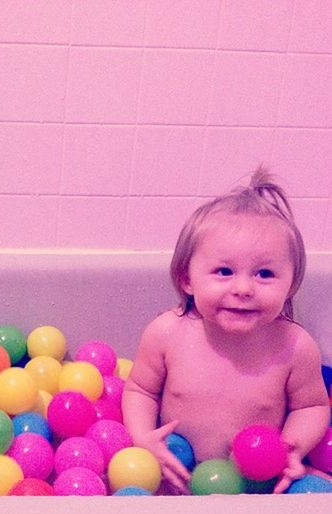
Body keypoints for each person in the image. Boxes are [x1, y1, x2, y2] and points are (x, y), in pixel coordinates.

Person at [122, 166, 330, 494]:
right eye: (223, 271)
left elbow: (312, 406)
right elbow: (140, 390)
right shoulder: (166, 334)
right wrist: (144, 439)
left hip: (257, 485)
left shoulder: (294, 346)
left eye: (264, 274)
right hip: (175, 474)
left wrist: (293, 448)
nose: (244, 288)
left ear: (291, 285)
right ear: (187, 279)